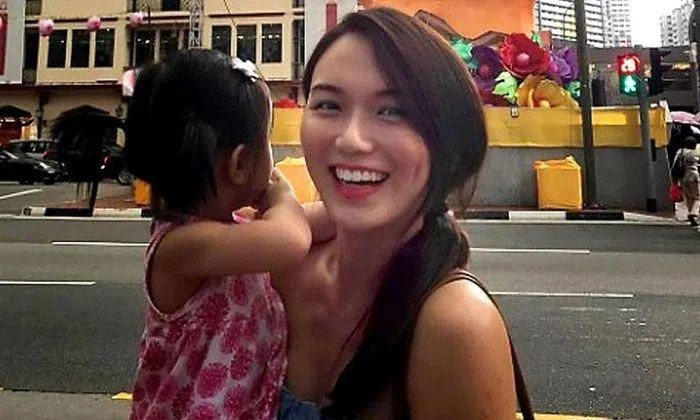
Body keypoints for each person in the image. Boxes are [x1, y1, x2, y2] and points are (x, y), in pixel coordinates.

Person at [275, 7, 528, 419]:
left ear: (446, 140)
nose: (352, 140)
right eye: (328, 105)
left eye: (392, 111)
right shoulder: (272, 271)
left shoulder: (456, 326)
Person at [125, 49, 312, 419]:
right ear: (240, 163)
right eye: (267, 139)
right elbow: (293, 239)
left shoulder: (226, 232)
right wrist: (282, 196)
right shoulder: (181, 247)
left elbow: (304, 222)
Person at [672, 137, 700, 228]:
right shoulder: (693, 153)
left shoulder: (680, 152)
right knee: (697, 197)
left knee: (688, 197)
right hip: (693, 176)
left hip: (683, 177)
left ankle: (692, 218)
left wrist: (675, 178)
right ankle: (693, 213)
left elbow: (675, 165)